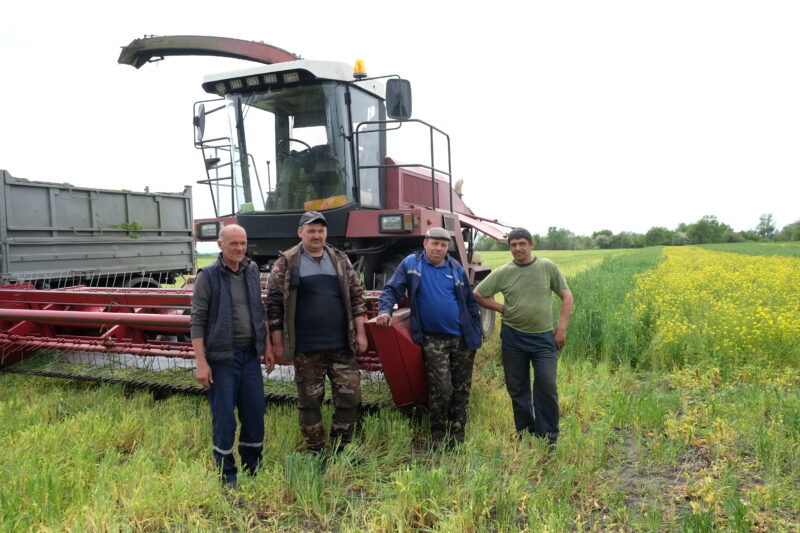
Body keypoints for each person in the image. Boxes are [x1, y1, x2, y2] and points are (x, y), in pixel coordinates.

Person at [266, 210, 368, 456]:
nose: (317, 235)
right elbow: (274, 305)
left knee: (350, 396)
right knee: (310, 401)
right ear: (300, 233)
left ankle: (341, 446)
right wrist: (278, 344)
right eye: (311, 230)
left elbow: (357, 297)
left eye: (320, 230)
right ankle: (316, 449)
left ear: (326, 233)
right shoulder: (287, 262)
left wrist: (361, 333)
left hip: (341, 344)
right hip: (306, 346)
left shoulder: (340, 259)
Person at [376, 227, 482, 447]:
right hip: (434, 339)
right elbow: (391, 290)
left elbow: (470, 304)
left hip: (462, 338)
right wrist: (384, 310)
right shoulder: (411, 265)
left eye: (443, 245)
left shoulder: (455, 268)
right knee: (442, 388)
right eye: (435, 243)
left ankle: (458, 434)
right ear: (425, 244)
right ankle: (438, 433)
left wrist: (476, 333)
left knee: (462, 388)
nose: (439, 248)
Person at [191, 224, 275, 487]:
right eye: (233, 244)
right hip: (222, 359)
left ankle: (253, 466)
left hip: (250, 355)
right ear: (220, 245)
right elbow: (197, 320)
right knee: (225, 415)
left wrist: (268, 346)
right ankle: (226, 474)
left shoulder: (251, 271)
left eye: (243, 243)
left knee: (254, 411)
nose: (240, 249)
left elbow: (259, 311)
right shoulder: (209, 275)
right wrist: (202, 363)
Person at [473, 227, 573, 447]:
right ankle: (525, 433)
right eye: (513, 245)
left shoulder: (547, 267)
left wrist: (561, 328)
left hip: (543, 339)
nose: (517, 248)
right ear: (509, 247)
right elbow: (478, 294)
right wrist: (501, 308)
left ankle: (548, 437)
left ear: (531, 244)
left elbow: (567, 297)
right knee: (518, 388)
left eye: (522, 244)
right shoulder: (504, 272)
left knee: (546, 385)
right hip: (513, 339)